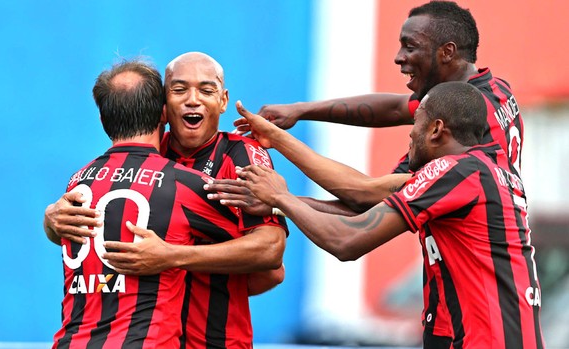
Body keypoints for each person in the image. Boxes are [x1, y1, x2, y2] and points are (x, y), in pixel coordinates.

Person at [233, 81, 544, 348]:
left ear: (436, 129)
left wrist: (281, 197)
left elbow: (348, 239)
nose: (410, 135)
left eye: (416, 124)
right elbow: (361, 193)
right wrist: (277, 145)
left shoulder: (453, 172)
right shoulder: (488, 169)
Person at [44, 52, 288, 349]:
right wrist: (51, 219)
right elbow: (99, 228)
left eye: (206, 90)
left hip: (215, 341)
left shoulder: (241, 156)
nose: (193, 100)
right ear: (163, 107)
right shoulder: (146, 160)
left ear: (223, 101)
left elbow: (272, 262)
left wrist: (176, 260)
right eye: (179, 89)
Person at [228, 0, 525, 213]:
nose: (398, 57)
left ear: (446, 52)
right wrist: (301, 110)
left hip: (478, 292)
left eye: (410, 46)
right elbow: (395, 108)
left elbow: (365, 200)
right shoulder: (492, 90)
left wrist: (280, 179)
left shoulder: (460, 124)